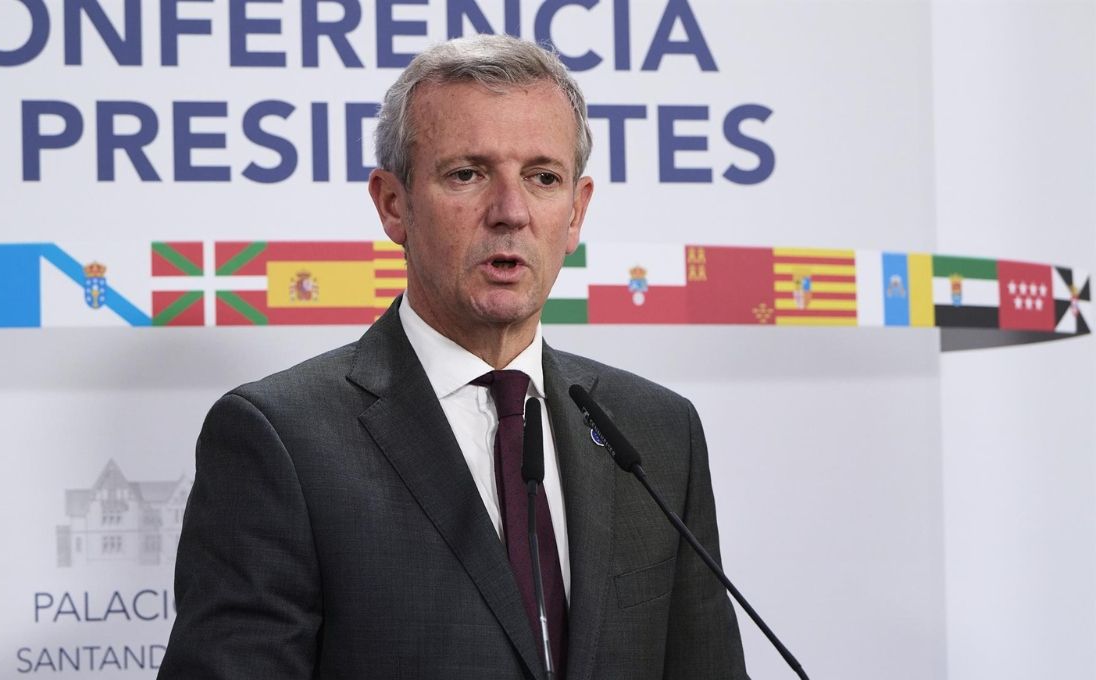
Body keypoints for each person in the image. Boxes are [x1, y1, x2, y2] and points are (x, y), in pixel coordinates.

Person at [158, 34, 748, 680]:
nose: (511, 212)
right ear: (393, 204)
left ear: (575, 213)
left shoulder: (656, 431)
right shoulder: (281, 439)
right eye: (466, 174)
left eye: (542, 177)